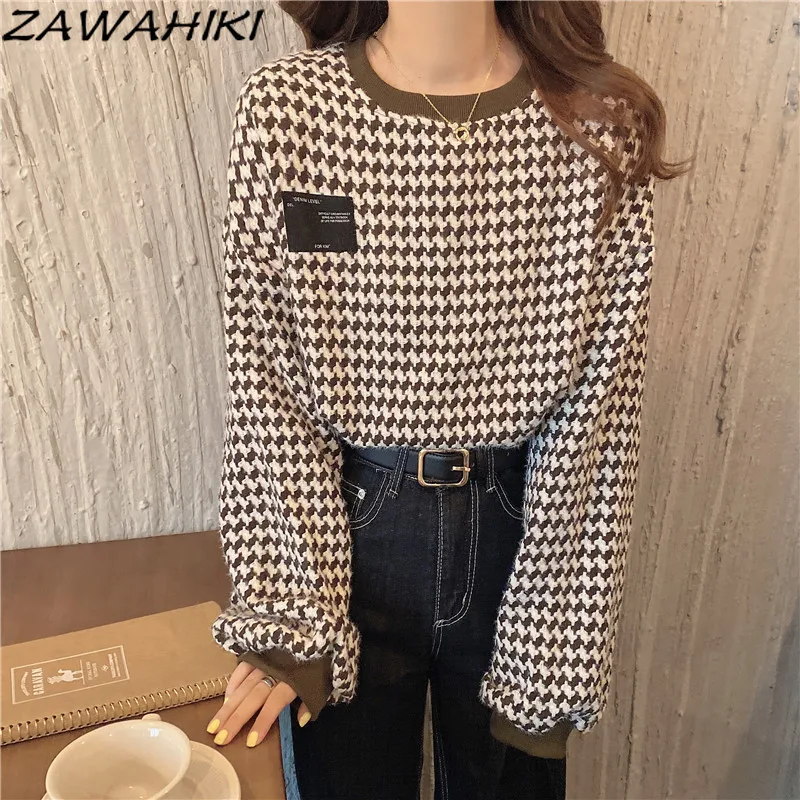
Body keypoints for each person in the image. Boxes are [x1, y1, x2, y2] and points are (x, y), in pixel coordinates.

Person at [204, 2, 688, 798]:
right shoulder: (289, 110)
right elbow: (268, 374)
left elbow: (603, 406)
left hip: (525, 530)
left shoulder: (597, 123)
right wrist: (290, 610)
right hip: (348, 531)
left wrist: (555, 638)